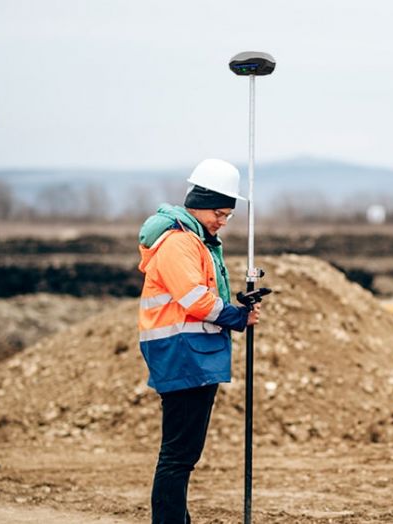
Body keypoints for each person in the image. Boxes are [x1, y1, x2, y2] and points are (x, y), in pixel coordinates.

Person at [136, 158, 261, 524]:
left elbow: (200, 295)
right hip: (183, 356)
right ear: (201, 203)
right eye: (220, 213)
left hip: (192, 356)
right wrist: (236, 317)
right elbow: (195, 299)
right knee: (178, 456)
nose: (223, 221)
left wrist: (235, 306)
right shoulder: (179, 244)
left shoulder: (195, 242)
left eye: (228, 215)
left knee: (182, 455)